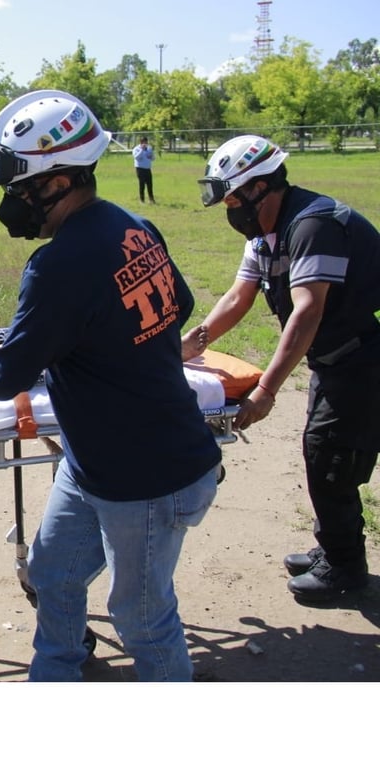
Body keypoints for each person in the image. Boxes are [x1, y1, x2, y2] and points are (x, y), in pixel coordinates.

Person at [0, 90, 220, 682]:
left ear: (57, 182)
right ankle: (55, 678)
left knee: (140, 618)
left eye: (18, 186)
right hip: (94, 461)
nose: (11, 199)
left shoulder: (58, 264)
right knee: (53, 575)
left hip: (147, 473)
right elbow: (178, 305)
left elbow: (8, 372)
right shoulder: (133, 225)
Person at [185, 134, 380, 602]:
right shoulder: (265, 236)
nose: (230, 208)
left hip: (363, 357)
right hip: (335, 359)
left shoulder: (313, 226)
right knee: (325, 453)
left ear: (261, 187)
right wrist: (188, 346)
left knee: (330, 457)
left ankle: (345, 568)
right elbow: (237, 297)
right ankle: (332, 547)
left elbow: (307, 310)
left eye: (233, 196)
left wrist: (267, 389)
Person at [132, 136, 155, 203]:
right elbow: (136, 157)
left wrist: (151, 156)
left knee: (150, 184)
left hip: (148, 169)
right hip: (140, 169)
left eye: (146, 142)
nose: (145, 144)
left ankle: (151, 199)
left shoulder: (149, 148)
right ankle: (142, 200)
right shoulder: (136, 149)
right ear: (141, 143)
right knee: (142, 184)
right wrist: (142, 150)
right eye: (144, 143)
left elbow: (153, 158)